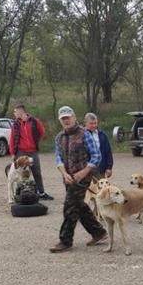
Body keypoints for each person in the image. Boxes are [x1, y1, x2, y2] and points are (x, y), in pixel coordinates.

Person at [49, 106, 108, 253]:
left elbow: (96, 156)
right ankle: (99, 232)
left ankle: (65, 240)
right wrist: (64, 173)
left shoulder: (85, 134)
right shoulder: (59, 137)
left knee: (69, 207)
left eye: (68, 117)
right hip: (68, 178)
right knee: (79, 206)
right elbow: (58, 158)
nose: (66, 120)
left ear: (74, 117)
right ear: (60, 120)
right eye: (63, 118)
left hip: (82, 177)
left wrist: (83, 172)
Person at [9, 104, 53, 200]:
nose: (14, 114)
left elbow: (41, 132)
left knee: (36, 172)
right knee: (20, 173)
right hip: (21, 151)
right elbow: (12, 139)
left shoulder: (34, 121)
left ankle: (41, 193)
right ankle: (20, 193)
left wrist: (36, 141)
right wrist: (12, 153)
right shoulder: (15, 124)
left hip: (33, 151)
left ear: (21, 112)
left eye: (15, 112)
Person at [83, 112, 114, 179]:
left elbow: (108, 151)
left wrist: (109, 167)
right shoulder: (81, 135)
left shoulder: (102, 135)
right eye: (91, 123)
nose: (94, 125)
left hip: (100, 169)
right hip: (85, 169)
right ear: (85, 123)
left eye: (95, 123)